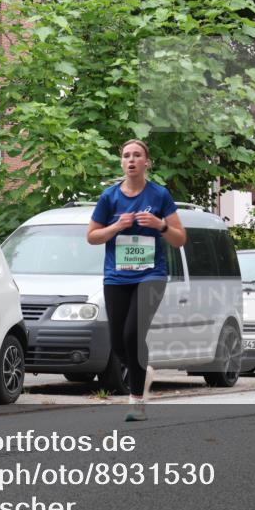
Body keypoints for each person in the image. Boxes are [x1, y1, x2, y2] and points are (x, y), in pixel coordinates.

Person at [87, 140, 187, 420]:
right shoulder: (109, 198)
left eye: (137, 155)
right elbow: (92, 237)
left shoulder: (159, 195)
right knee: (118, 342)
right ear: (122, 163)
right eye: (126, 156)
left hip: (151, 276)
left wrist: (161, 225)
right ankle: (144, 371)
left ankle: (136, 401)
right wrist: (117, 226)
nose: (131, 160)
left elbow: (180, 239)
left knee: (133, 334)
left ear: (146, 162)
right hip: (116, 277)